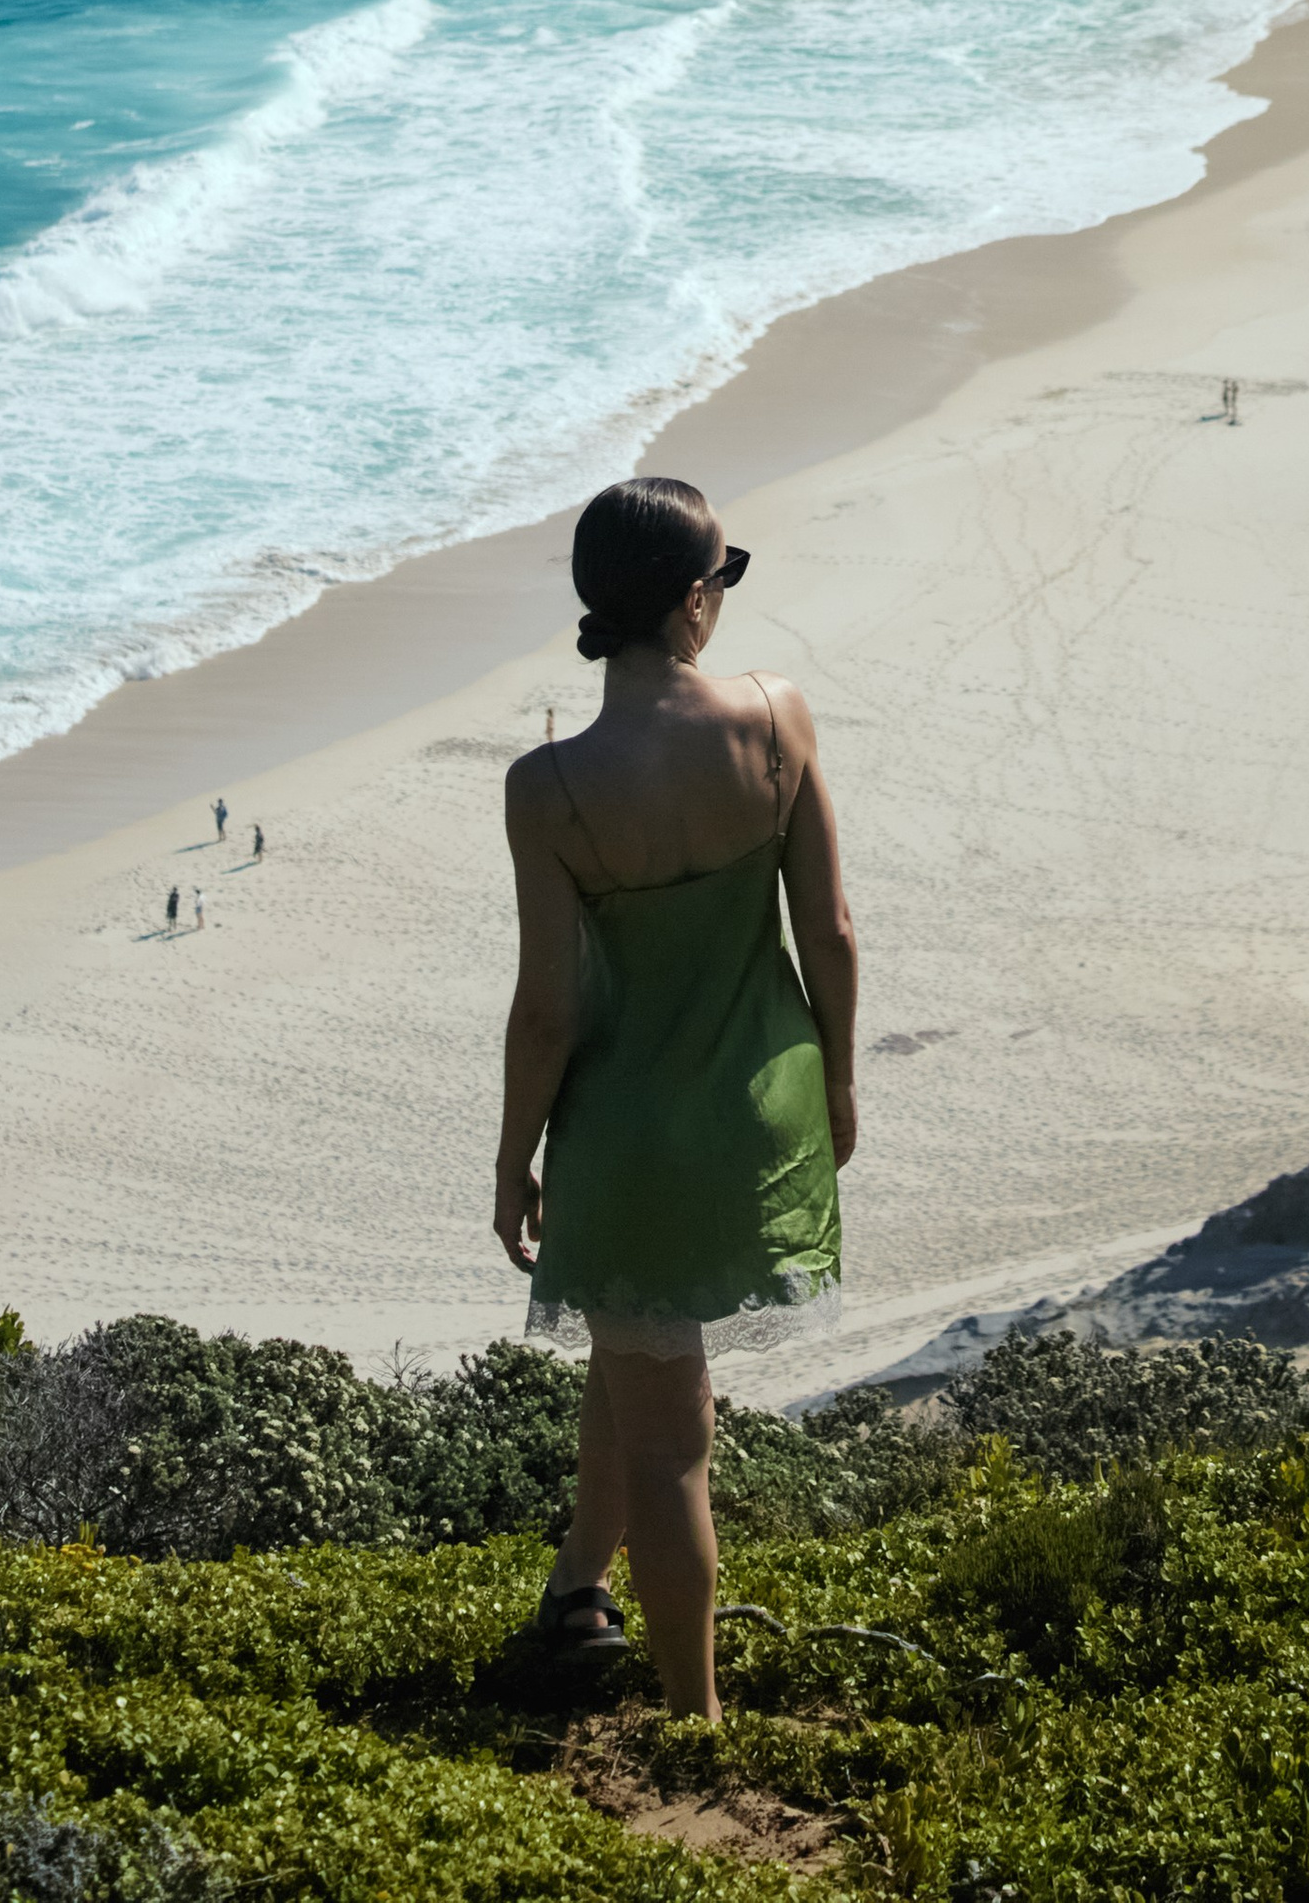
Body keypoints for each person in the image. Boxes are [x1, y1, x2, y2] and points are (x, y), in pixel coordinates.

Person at [498, 476, 854, 1723]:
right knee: (642, 1378)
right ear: (696, 598)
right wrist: (842, 1088)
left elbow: (545, 1008)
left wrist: (513, 1159)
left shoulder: (548, 791)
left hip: (626, 1135)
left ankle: (692, 1720)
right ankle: (579, 1589)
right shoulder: (776, 719)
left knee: (667, 1430)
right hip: (761, 1109)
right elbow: (833, 937)